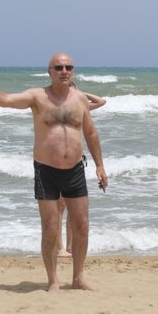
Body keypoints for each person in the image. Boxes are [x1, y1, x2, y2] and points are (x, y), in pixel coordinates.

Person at [0, 52, 108, 292]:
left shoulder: (80, 99)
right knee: (49, 227)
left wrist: (100, 166)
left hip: (75, 170)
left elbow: (90, 133)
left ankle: (78, 277)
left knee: (82, 225)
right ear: (49, 71)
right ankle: (53, 280)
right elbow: (6, 100)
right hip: (46, 171)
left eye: (68, 67)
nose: (64, 71)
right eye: (58, 67)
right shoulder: (37, 96)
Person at [57, 90, 107, 257]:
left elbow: (101, 101)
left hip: (76, 161)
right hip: (56, 162)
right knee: (60, 206)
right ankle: (59, 247)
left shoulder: (80, 106)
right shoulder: (55, 107)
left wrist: (81, 93)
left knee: (72, 208)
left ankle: (70, 246)